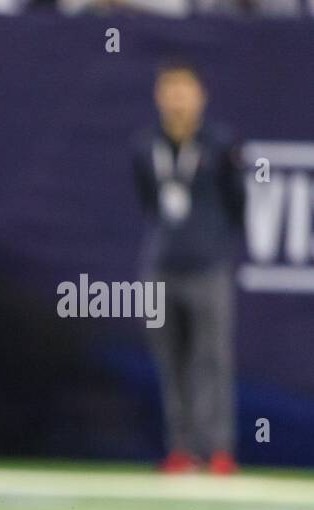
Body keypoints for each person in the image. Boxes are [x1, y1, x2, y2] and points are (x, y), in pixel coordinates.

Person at [132, 61, 246, 475]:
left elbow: (238, 204)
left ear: (201, 96)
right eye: (170, 90)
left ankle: (217, 449)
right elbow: (148, 201)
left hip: (208, 268)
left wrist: (212, 243)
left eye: (185, 90)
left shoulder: (220, 144)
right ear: (159, 97)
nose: (178, 99)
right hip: (162, 267)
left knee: (211, 360)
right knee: (170, 360)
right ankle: (180, 448)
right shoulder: (145, 146)